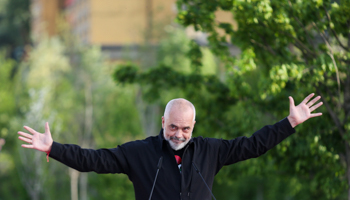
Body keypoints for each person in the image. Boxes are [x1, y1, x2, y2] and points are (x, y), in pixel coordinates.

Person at [18, 93, 323, 200]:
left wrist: (290, 123)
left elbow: (254, 145)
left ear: (194, 127)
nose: (179, 133)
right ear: (162, 121)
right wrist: (52, 148)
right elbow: (92, 160)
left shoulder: (210, 150)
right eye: (173, 126)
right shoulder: (138, 153)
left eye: (186, 128)